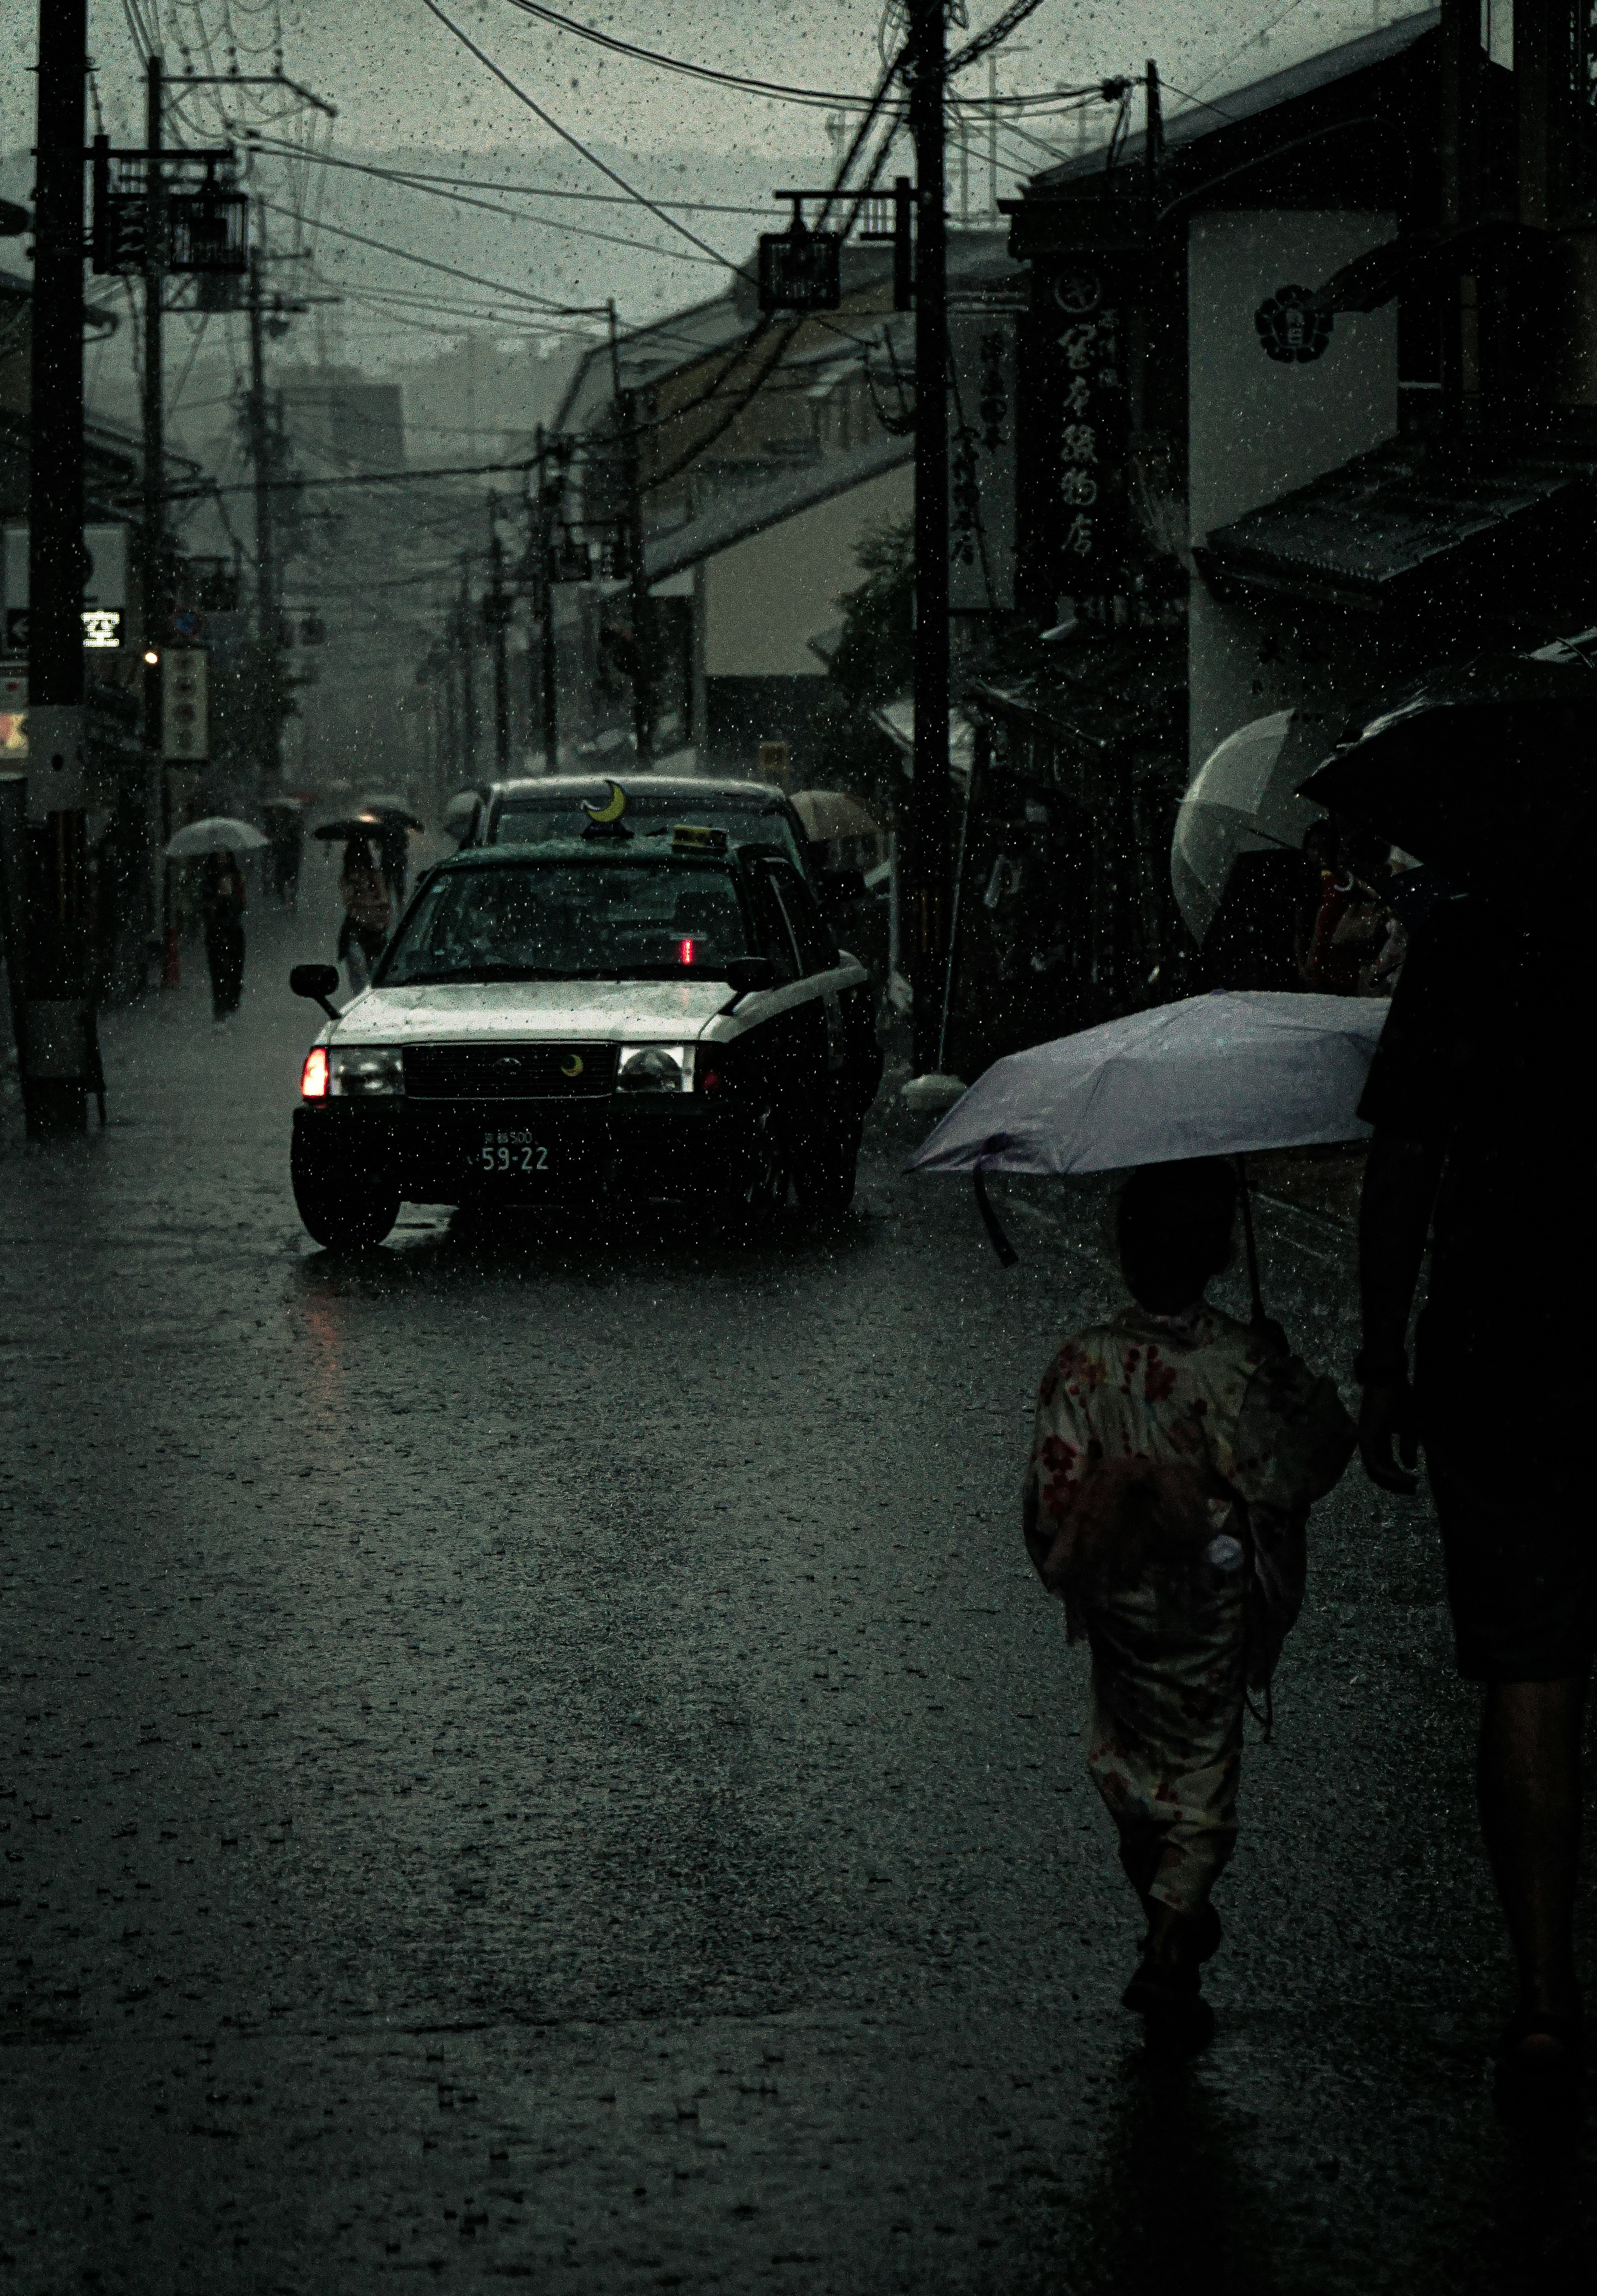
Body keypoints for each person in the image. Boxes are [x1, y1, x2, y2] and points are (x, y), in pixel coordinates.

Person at [1023, 1159, 1354, 2045]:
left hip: (1125, 1594)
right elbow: (1300, 1471)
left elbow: (1052, 1501)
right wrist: (1281, 1377)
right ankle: (1171, 1943)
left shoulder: (1084, 1363)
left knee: (1131, 1758)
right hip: (1210, 1586)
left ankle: (1164, 1907)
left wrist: (1089, 1553)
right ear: (1214, 1254)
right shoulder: (1240, 1362)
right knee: (1203, 1764)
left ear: (1126, 1251)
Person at [1356, 886, 1586, 2119]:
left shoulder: (1470, 931)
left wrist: (1380, 1350)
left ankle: (1544, 1988)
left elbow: (1403, 1157)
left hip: (1500, 1350)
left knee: (1531, 1667)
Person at [338, 833, 392, 990]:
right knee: (360, 971)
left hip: (374, 930)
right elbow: (351, 904)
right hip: (359, 930)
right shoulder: (348, 879)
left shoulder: (375, 876)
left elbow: (383, 901)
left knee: (373, 972)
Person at [200, 849, 247, 1020]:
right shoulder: (208, 880)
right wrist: (218, 897)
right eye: (219, 857)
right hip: (216, 932)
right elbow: (206, 906)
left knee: (235, 969)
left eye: (225, 857)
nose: (222, 861)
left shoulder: (236, 878)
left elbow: (241, 905)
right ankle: (220, 1006)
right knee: (217, 971)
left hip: (233, 930)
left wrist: (231, 896)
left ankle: (231, 1000)